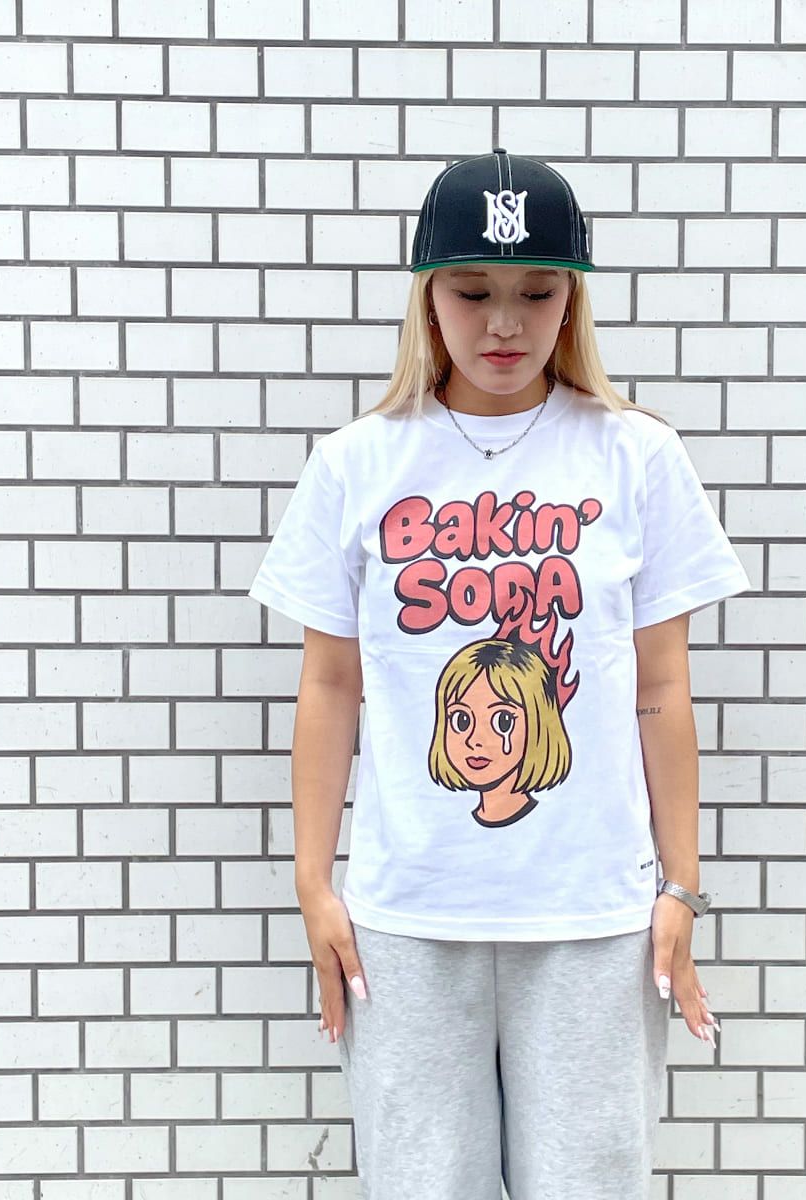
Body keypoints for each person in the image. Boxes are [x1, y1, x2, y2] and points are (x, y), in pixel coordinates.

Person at [247, 148, 751, 1200]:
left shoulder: (636, 456)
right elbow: (329, 688)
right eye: (473, 292)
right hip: (408, 918)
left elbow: (661, 691)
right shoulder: (357, 462)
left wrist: (680, 889)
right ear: (428, 297)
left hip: (592, 916)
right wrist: (312, 886)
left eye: (538, 292)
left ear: (574, 300)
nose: (506, 324)